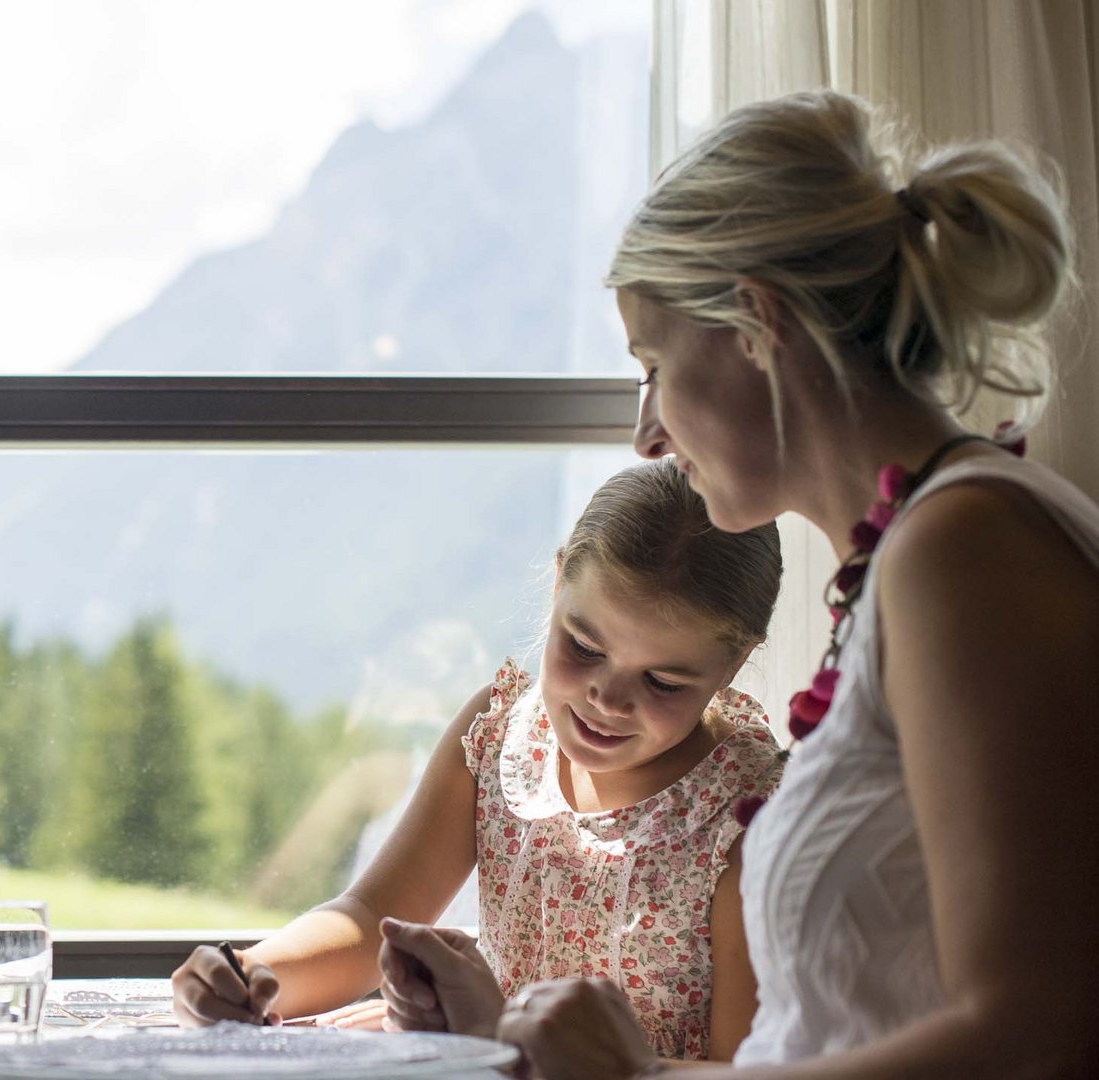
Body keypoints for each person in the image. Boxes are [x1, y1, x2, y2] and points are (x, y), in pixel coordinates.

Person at [386, 89, 1099, 1078]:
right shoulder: (917, 558)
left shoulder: (966, 551)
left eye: (654, 366)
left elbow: (1037, 1042)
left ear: (757, 324)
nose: (647, 434)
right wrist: (507, 1028)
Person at [172, 458, 786, 1064]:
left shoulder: (747, 819)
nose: (607, 697)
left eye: (662, 681)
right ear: (556, 587)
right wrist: (250, 973)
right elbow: (368, 919)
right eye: (584, 645)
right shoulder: (500, 738)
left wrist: (499, 1040)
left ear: (730, 667)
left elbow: (747, 1069)